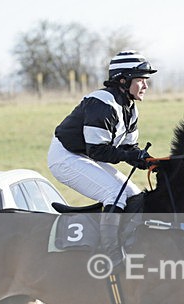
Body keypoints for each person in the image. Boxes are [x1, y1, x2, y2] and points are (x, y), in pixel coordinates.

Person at [47, 50, 157, 267]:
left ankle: (130, 243)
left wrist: (149, 161)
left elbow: (128, 147)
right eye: (141, 80)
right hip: (66, 157)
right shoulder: (102, 103)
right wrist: (132, 157)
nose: (145, 86)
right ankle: (111, 252)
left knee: (134, 195)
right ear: (123, 80)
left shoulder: (129, 107)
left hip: (87, 155)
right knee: (114, 193)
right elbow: (99, 151)